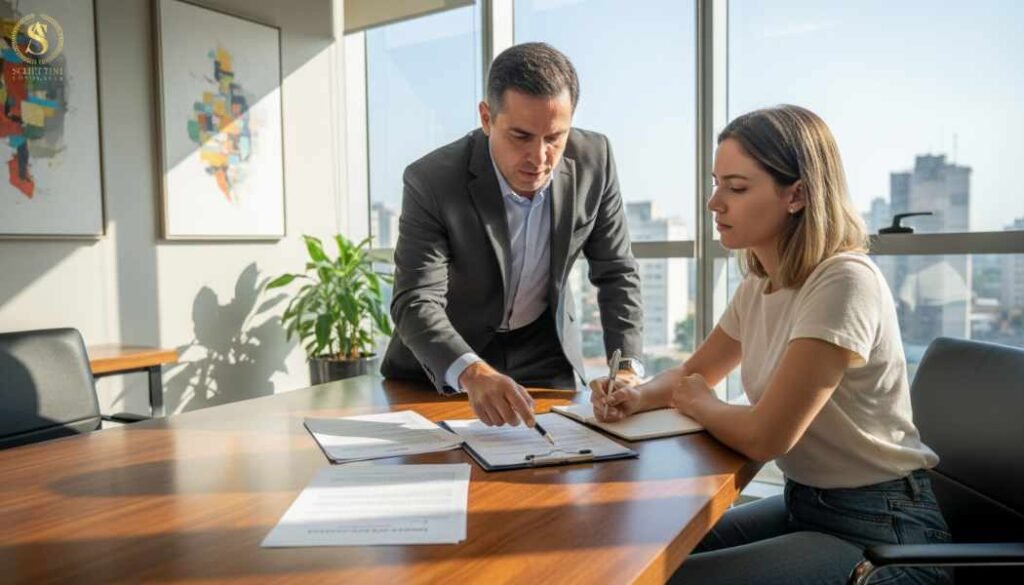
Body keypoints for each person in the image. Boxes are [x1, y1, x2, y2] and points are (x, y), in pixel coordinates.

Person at [592, 105, 950, 584]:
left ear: (797, 195)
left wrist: (696, 401)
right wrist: (634, 396)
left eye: (736, 188)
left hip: (883, 531)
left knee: (673, 579)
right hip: (805, 504)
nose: (714, 203)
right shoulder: (761, 285)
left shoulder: (844, 281)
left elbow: (767, 436)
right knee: (638, 558)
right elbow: (690, 375)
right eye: (716, 183)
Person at [381, 42, 645, 428]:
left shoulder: (595, 159)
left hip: (545, 353)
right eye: (521, 136)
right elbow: (415, 299)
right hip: (448, 360)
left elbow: (617, 272)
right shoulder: (432, 179)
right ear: (487, 118)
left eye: (555, 137)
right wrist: (472, 372)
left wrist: (626, 369)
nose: (539, 158)